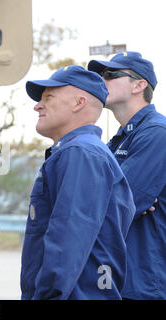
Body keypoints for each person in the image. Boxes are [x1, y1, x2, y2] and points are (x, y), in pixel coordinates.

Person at [20, 66, 135, 300]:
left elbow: (67, 242)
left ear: (79, 102)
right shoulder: (79, 152)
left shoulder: (81, 153)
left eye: (48, 97)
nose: (37, 105)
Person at [88, 51, 166, 300]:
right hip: (117, 277)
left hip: (143, 281)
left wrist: (106, 195)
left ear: (139, 85)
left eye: (111, 74)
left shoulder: (156, 133)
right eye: (100, 75)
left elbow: (122, 204)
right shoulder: (119, 139)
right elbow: (93, 198)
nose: (102, 80)